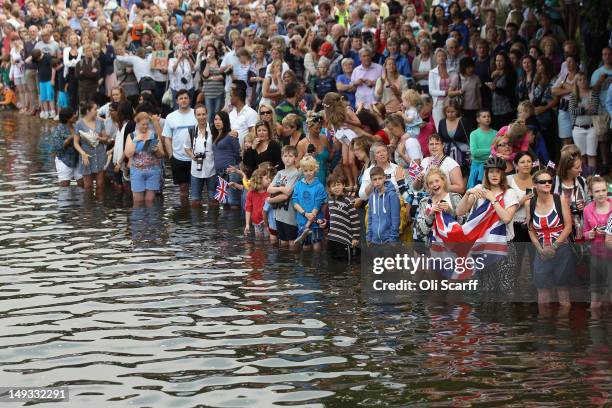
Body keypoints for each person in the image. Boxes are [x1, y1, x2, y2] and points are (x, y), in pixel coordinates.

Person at [456, 156, 520, 293]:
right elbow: (460, 211)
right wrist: (468, 193)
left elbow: (507, 218)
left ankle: (506, 314)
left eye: (498, 171)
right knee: (485, 288)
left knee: (506, 288)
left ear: (503, 174)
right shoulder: (480, 188)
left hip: (504, 246)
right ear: (486, 173)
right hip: (482, 245)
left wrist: (493, 199)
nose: (494, 175)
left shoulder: (510, 193)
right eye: (491, 171)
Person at [526, 169, 574, 310]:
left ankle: (563, 328)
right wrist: (540, 249)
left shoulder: (560, 199)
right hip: (541, 250)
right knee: (542, 293)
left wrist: (554, 247)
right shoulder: (530, 203)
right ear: (535, 185)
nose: (547, 183)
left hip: (561, 249)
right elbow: (530, 229)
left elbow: (568, 227)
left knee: (563, 292)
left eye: (549, 181)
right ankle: (544, 329)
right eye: (543, 182)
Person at [162, 89, 197, 201]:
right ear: (176, 101)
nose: (183, 100)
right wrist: (171, 156)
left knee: (197, 188)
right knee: (183, 189)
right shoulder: (170, 117)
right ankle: (184, 213)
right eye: (181, 98)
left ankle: (195, 214)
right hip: (178, 157)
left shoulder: (196, 114)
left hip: (195, 157)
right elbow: (167, 138)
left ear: (190, 100)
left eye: (186, 98)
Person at [583, 176, 612, 309]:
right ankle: (595, 327)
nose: (601, 194)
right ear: (591, 193)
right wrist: (589, 234)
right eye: (597, 191)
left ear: (607, 190)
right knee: (595, 298)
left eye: (603, 190)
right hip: (596, 256)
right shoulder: (587, 209)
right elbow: (584, 233)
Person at [124, 112, 164, 207]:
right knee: (138, 201)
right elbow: (128, 154)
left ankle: (150, 220)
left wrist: (157, 150)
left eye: (147, 124)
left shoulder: (154, 135)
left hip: (153, 171)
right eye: (143, 124)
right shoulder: (132, 136)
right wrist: (136, 140)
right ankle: (139, 220)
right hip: (137, 171)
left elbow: (162, 155)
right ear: (137, 124)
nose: (145, 126)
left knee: (150, 201)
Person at [73, 100, 111, 194]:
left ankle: (100, 206)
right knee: (88, 186)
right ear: (88, 111)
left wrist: (99, 138)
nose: (97, 111)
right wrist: (82, 153)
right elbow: (76, 143)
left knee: (100, 186)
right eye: (95, 109)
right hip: (86, 155)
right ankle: (89, 207)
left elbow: (106, 138)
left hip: (99, 153)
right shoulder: (79, 124)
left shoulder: (100, 122)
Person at [268, 145, 302, 249]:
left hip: (290, 214)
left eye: (290, 156)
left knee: (292, 243)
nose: (287, 158)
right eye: (285, 156)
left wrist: (270, 200)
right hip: (278, 213)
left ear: (295, 158)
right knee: (283, 243)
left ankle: (293, 263)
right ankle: (284, 265)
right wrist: (282, 188)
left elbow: (286, 195)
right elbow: (269, 189)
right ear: (282, 158)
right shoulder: (279, 173)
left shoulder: (296, 174)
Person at [292, 155, 328, 251]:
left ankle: (317, 265)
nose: (308, 173)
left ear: (315, 169)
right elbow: (295, 202)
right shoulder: (298, 185)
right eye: (306, 170)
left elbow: (317, 206)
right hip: (302, 220)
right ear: (302, 171)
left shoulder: (319, 186)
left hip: (315, 221)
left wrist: (308, 222)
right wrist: (304, 213)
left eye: (311, 170)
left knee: (316, 245)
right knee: (305, 246)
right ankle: (307, 265)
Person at [507, 151, 536, 269]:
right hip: (514, 225)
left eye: (529, 161)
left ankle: (536, 286)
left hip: (533, 225)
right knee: (515, 261)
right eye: (522, 162)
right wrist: (521, 202)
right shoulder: (508, 180)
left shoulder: (537, 179)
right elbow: (504, 205)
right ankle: (514, 286)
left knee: (535, 259)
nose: (526, 164)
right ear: (515, 165)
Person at [184, 105, 216, 208]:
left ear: (207, 114)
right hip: (196, 170)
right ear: (195, 116)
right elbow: (186, 147)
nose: (201, 117)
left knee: (213, 200)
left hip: (212, 169)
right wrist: (192, 156)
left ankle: (213, 222)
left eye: (203, 114)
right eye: (199, 115)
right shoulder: (191, 130)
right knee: (195, 201)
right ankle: (197, 223)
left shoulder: (213, 128)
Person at [553, 145, 588, 241]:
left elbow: (590, 205)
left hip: (580, 232)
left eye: (581, 166)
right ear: (567, 169)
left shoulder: (582, 181)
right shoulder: (553, 183)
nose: (581, 170)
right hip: (560, 233)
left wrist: (584, 207)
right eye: (577, 168)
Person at [569, 72, 600, 173]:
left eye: (584, 79)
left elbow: (594, 110)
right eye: (580, 80)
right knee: (581, 156)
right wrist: (585, 108)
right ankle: (583, 177)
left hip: (592, 128)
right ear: (576, 82)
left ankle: (592, 178)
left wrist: (580, 109)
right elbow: (572, 111)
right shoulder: (574, 96)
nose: (582, 82)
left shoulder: (593, 93)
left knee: (591, 154)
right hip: (578, 129)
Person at [211, 110, 241, 209]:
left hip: (230, 173)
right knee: (225, 203)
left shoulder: (231, 135)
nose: (217, 122)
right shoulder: (214, 135)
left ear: (225, 121)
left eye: (220, 119)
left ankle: (235, 223)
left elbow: (237, 153)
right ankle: (226, 224)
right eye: (215, 119)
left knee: (233, 202)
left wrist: (234, 169)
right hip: (219, 174)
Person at [327, 172, 360, 261]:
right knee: (331, 263)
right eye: (333, 186)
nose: (336, 187)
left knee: (344, 263)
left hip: (344, 240)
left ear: (343, 185)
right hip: (332, 238)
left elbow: (355, 221)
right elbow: (331, 219)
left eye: (339, 185)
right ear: (330, 188)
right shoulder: (329, 201)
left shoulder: (348, 201)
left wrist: (355, 237)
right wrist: (324, 223)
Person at [366, 166, 400, 245]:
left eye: (380, 178)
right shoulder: (372, 197)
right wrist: (369, 237)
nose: (377, 182)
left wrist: (393, 238)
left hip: (388, 241)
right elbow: (370, 218)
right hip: (374, 241)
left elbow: (395, 219)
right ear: (371, 181)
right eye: (374, 179)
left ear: (384, 178)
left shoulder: (392, 195)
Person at [552, 55, 580, 146]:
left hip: (576, 108)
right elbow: (553, 91)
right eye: (566, 62)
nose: (568, 64)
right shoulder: (564, 76)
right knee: (565, 138)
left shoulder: (580, 75)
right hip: (564, 108)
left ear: (576, 63)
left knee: (577, 138)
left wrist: (563, 85)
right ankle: (568, 159)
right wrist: (569, 89)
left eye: (571, 61)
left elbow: (578, 92)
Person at [297, 111, 331, 185]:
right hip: (309, 182)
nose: (319, 131)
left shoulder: (324, 138)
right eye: (316, 128)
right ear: (309, 127)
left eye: (320, 128)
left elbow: (331, 156)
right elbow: (296, 165)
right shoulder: (302, 143)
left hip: (325, 178)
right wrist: (306, 157)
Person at [50, 107, 82, 187]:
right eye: (73, 115)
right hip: (64, 160)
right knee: (65, 185)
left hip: (78, 159)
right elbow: (58, 147)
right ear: (67, 118)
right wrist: (70, 138)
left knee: (82, 184)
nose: (75, 116)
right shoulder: (58, 130)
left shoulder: (77, 126)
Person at [487, 51, 517, 130]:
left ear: (506, 61)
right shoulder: (494, 72)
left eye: (501, 61)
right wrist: (491, 77)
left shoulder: (511, 74)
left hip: (506, 110)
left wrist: (495, 89)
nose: (498, 63)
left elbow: (509, 92)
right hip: (495, 110)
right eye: (497, 60)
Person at [468, 109, 497, 188]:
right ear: (478, 119)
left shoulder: (495, 133)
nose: (487, 118)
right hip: (476, 168)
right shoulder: (474, 134)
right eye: (484, 116)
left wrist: (492, 152)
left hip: (492, 167)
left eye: (488, 116)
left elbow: (497, 150)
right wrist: (491, 150)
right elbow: (474, 152)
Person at [229, 81, 258, 147]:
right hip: (232, 153)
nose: (230, 98)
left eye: (231, 96)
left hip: (246, 153)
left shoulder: (251, 113)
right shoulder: (231, 114)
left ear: (237, 96)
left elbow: (253, 136)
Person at [244, 168, 271, 239]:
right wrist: (247, 225)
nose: (269, 180)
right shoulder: (250, 193)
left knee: (268, 240)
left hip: (267, 222)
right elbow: (248, 209)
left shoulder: (270, 192)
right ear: (259, 180)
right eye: (267, 178)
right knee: (259, 241)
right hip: (256, 223)